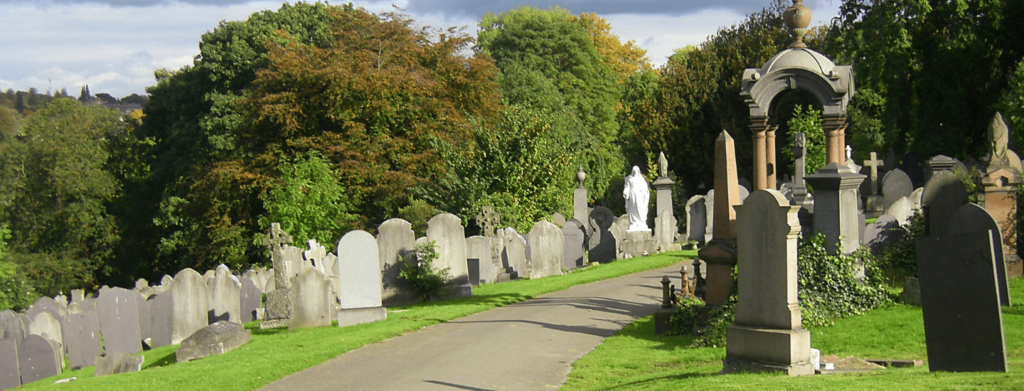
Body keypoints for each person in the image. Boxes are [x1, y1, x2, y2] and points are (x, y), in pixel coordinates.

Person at [623, 166, 650, 231]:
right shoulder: (629, 179)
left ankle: (641, 222)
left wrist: (644, 195)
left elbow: (645, 188)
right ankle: (634, 223)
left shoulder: (641, 179)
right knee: (633, 208)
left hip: (639, 195)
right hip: (632, 195)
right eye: (634, 171)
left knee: (640, 208)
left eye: (636, 171)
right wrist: (626, 192)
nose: (635, 172)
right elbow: (627, 187)